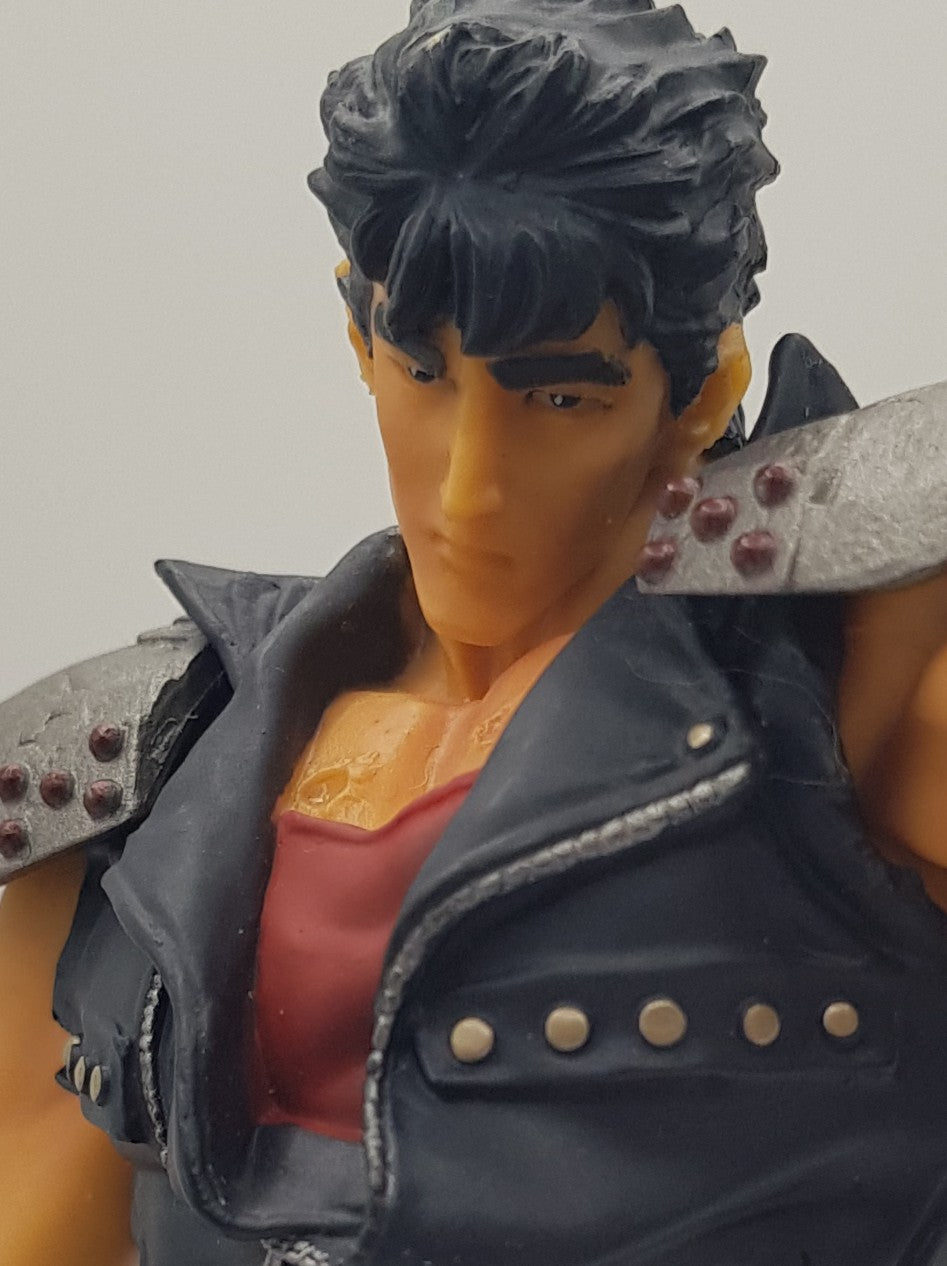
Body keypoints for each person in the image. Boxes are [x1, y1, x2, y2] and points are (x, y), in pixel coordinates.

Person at [3, 1, 947, 1264]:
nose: (468, 490)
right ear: (358, 334)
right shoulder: (144, 763)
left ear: (701, 391)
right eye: (425, 375)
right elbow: (44, 1201)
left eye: (557, 397)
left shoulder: (854, 689)